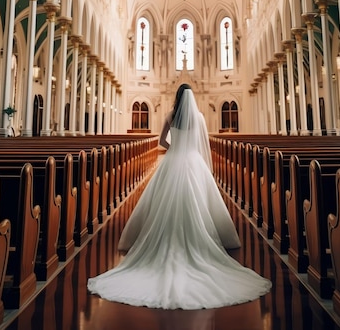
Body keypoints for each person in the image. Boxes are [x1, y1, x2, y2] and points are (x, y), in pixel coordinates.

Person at [87, 84, 271, 309]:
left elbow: (161, 142)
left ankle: (163, 238)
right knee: (197, 202)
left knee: (164, 203)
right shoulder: (200, 118)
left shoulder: (171, 115)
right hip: (194, 162)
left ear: (177, 97)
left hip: (173, 162)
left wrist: (174, 148)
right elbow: (203, 144)